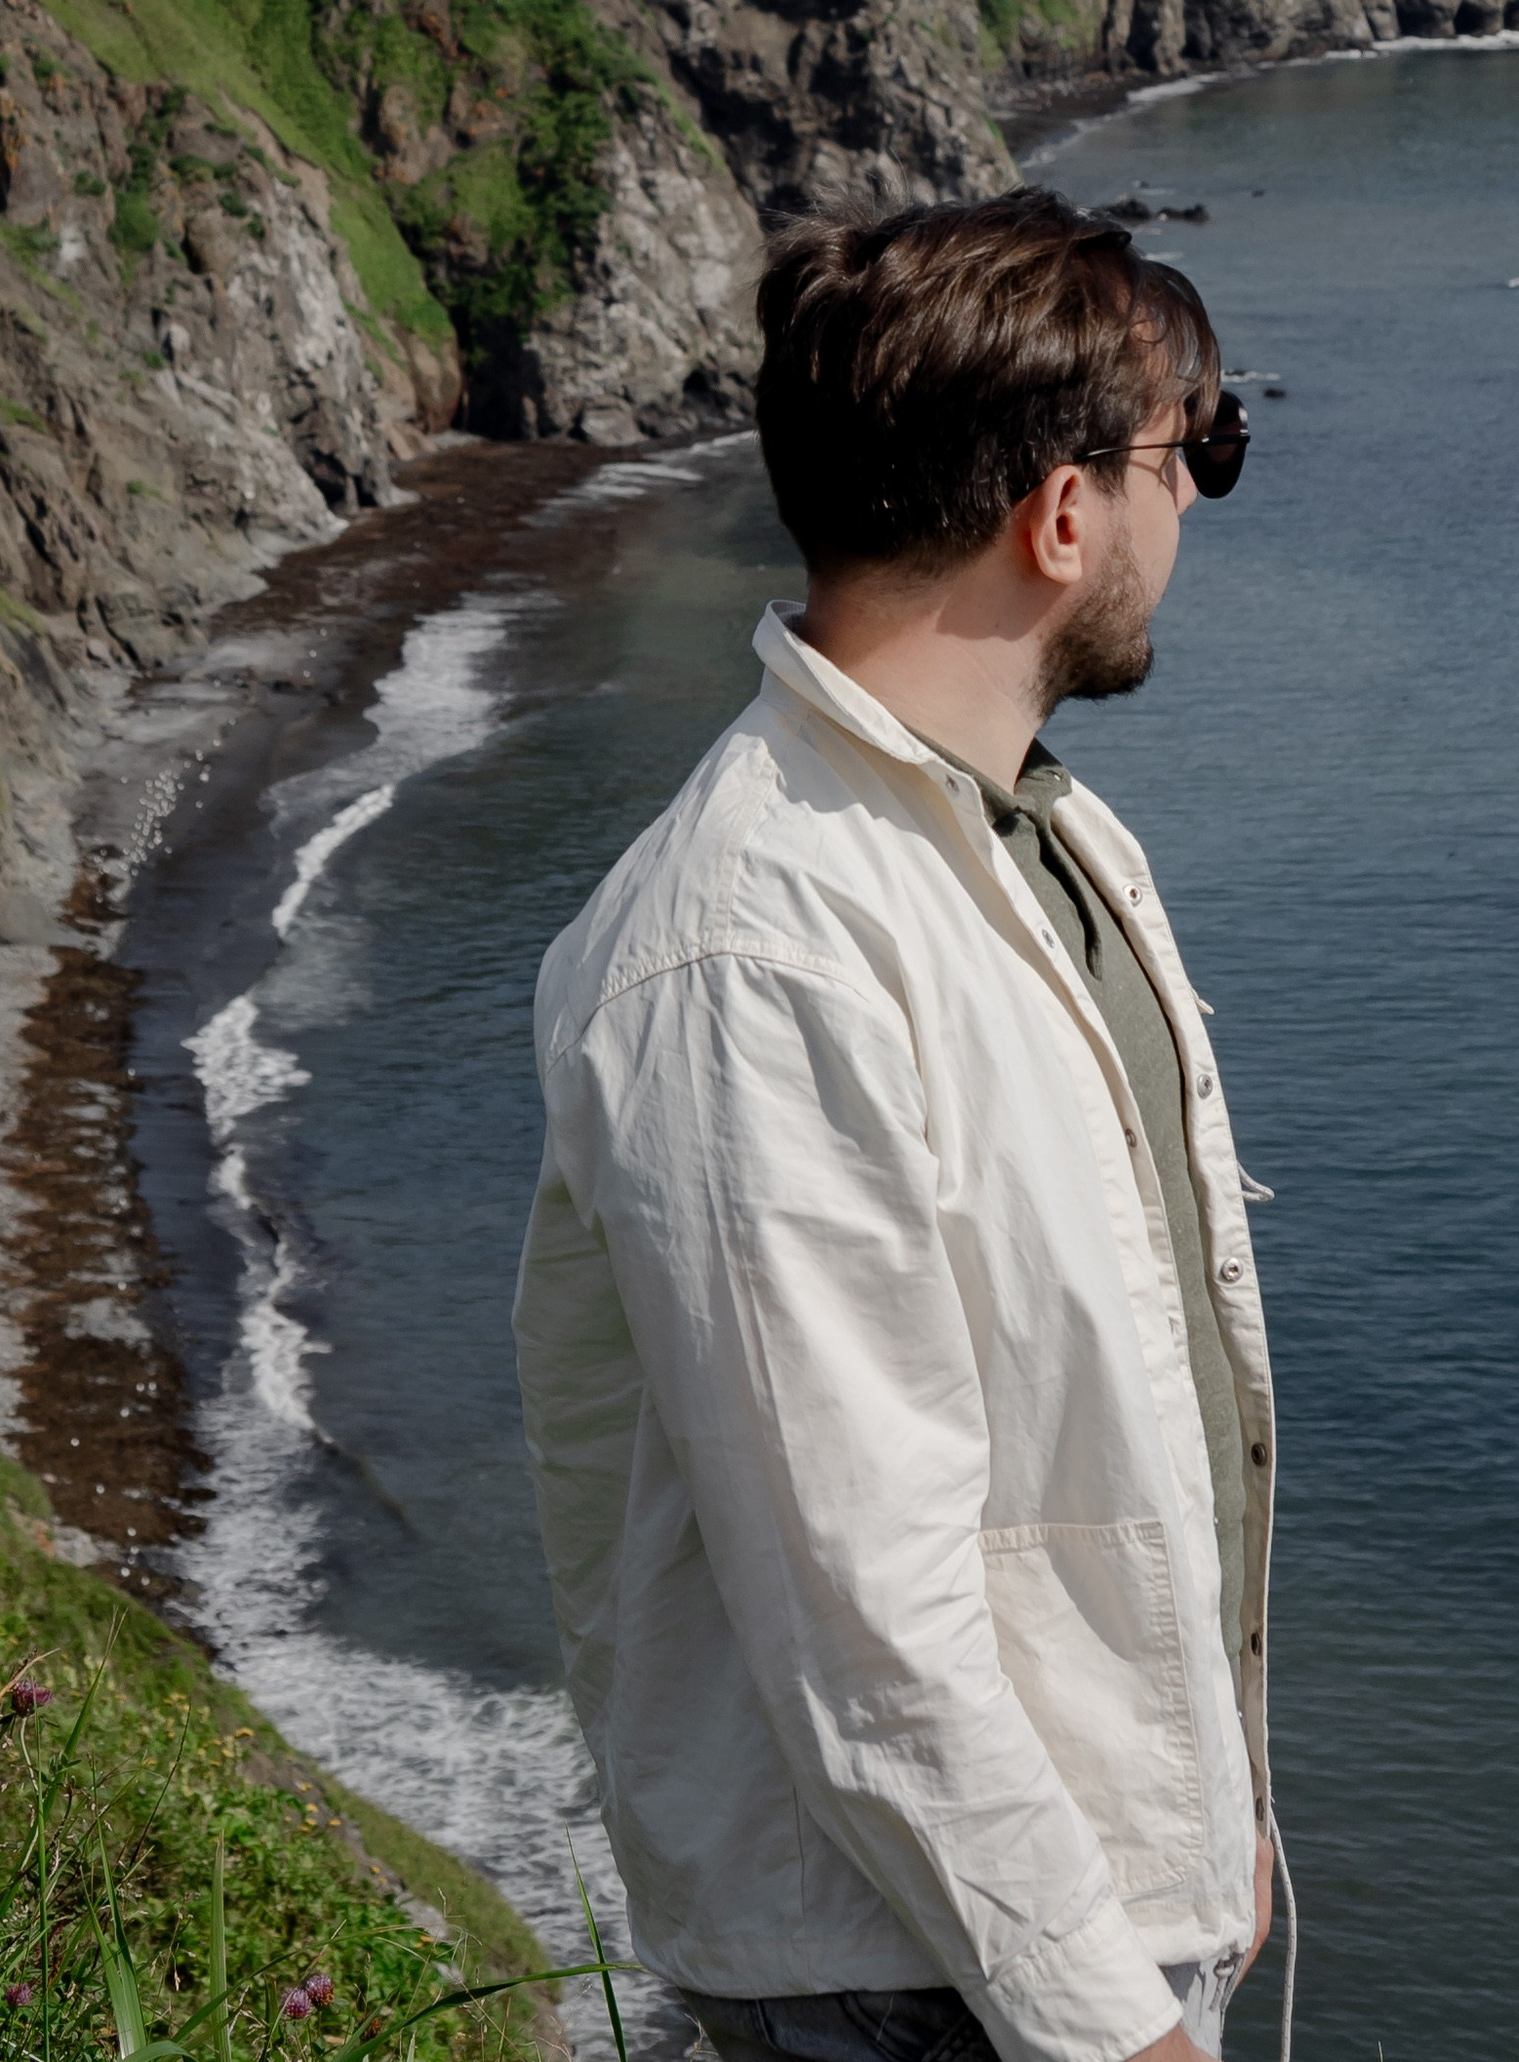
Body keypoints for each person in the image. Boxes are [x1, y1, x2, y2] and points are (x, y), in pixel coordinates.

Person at [513, 190, 1281, 2062]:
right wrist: (1113, 2026)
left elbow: (1127, 1389)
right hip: (912, 1979)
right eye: (1202, 452)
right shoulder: (750, 955)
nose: (1202, 507)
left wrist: (1215, 1827)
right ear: (1065, 512)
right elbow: (867, 1618)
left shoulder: (1038, 840)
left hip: (1048, 1928)